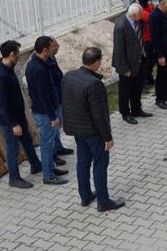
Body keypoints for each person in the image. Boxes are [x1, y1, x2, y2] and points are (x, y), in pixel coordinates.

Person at [62, 47, 125, 212]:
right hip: (93, 133)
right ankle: (103, 201)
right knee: (100, 164)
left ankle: (85, 196)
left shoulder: (69, 76)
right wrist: (107, 137)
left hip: (77, 130)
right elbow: (99, 115)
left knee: (82, 162)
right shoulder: (94, 84)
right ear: (96, 63)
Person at [0, 40, 41, 189]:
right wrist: (14, 124)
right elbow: (2, 104)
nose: (19, 57)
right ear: (12, 55)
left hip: (18, 116)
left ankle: (36, 165)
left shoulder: (8, 69)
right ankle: (14, 178)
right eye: (18, 55)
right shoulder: (1, 76)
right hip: (10, 121)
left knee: (27, 141)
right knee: (13, 149)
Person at [25, 36, 68, 185]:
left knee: (49, 143)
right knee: (47, 144)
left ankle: (51, 167)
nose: (54, 49)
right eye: (51, 47)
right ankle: (48, 176)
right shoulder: (38, 69)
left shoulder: (36, 64)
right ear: (45, 50)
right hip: (45, 114)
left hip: (45, 111)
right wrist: (52, 117)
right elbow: (43, 96)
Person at [112, 3, 153, 125]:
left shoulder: (138, 22)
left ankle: (136, 109)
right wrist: (125, 69)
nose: (142, 16)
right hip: (127, 66)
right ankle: (125, 113)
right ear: (134, 15)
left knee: (137, 87)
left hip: (139, 61)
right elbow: (119, 50)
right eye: (141, 14)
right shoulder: (121, 27)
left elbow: (139, 40)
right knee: (125, 91)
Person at [46, 38, 74, 165]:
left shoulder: (52, 58)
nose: (57, 47)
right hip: (52, 100)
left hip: (58, 96)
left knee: (57, 128)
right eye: (55, 45)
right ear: (48, 47)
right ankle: (53, 154)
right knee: (52, 130)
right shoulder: (44, 62)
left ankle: (58, 147)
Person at [133, 0, 156, 87]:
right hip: (142, 38)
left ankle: (149, 78)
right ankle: (143, 83)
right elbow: (149, 17)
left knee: (151, 60)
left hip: (151, 36)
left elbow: (154, 12)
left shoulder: (148, 1)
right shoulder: (136, 5)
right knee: (144, 62)